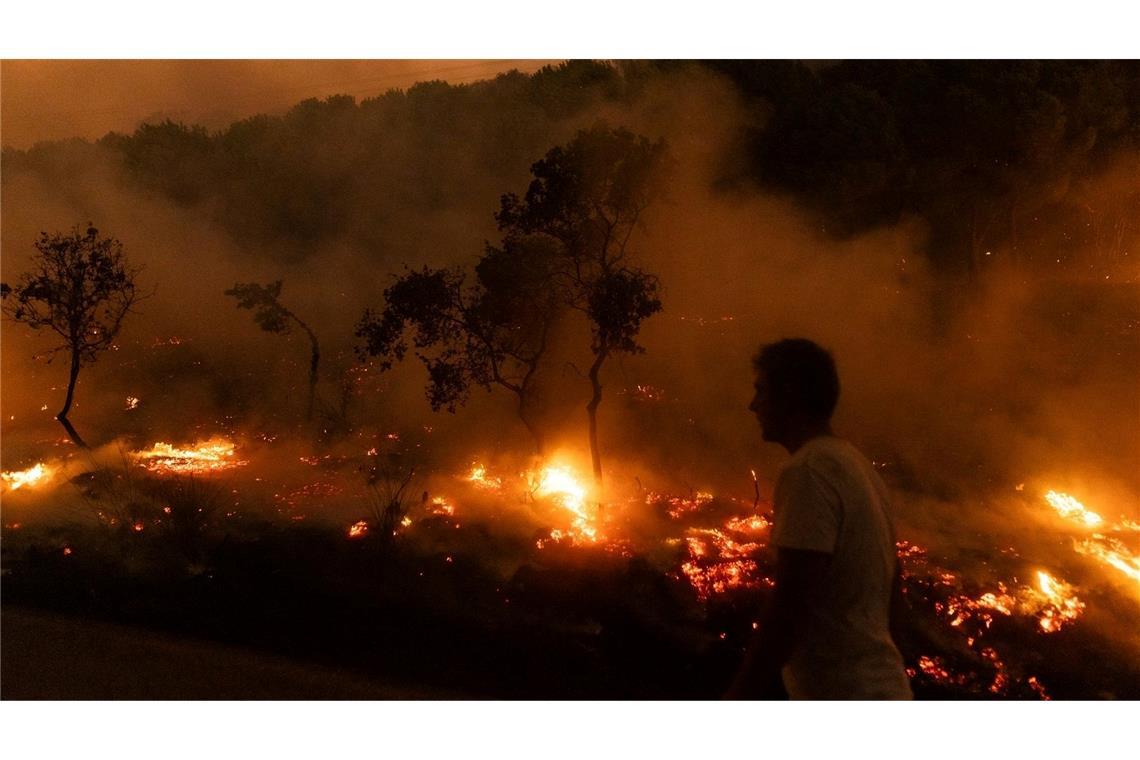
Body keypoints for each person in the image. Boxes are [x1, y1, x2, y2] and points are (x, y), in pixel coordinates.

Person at [727, 338, 912, 700]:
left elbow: (790, 604)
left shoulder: (808, 470)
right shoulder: (856, 466)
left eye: (761, 391)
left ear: (790, 394)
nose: (753, 405)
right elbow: (894, 594)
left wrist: (738, 698)